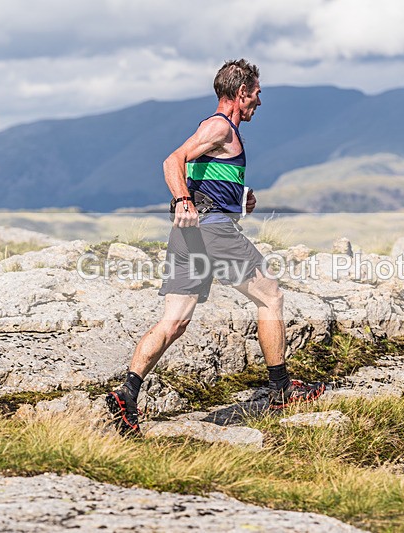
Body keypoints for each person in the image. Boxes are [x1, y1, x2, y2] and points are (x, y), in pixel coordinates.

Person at [106, 59, 325, 436]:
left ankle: (128, 392)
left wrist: (240, 198)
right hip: (211, 231)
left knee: (174, 322)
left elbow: (206, 178)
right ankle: (281, 388)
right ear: (241, 93)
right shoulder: (219, 126)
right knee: (270, 297)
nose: (259, 100)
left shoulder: (220, 132)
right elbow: (172, 160)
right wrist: (182, 202)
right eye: (256, 93)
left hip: (192, 235)